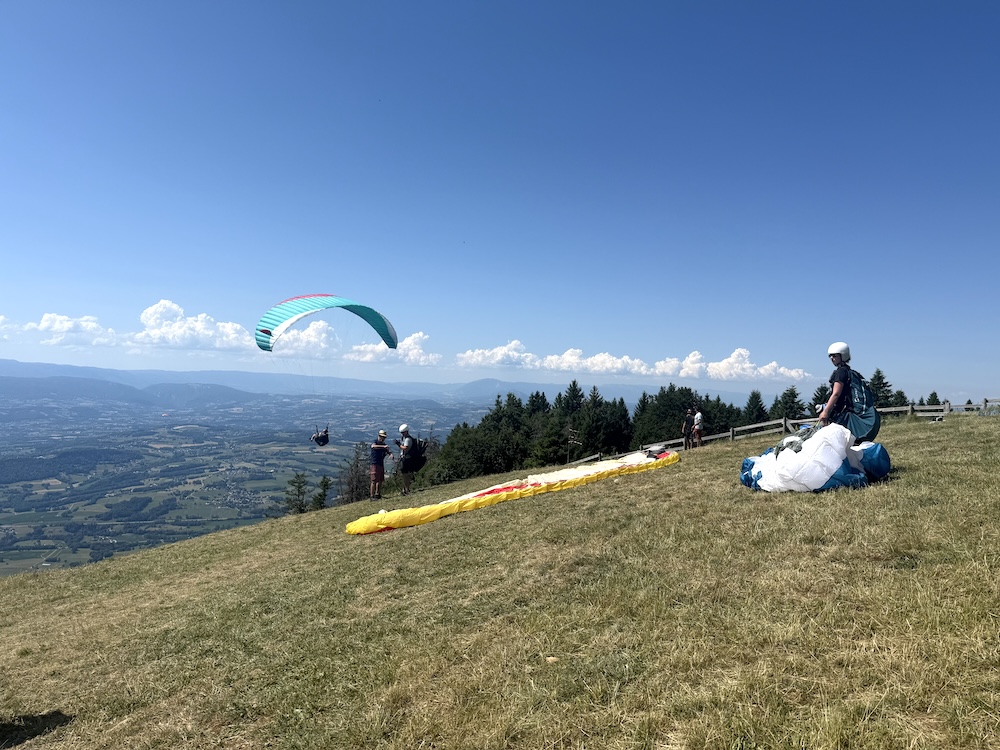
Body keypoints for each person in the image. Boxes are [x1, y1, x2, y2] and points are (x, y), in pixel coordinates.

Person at [818, 341, 881, 443]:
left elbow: (836, 393)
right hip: (849, 414)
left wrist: (826, 411)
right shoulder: (849, 371)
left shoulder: (840, 372)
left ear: (842, 355)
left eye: (834, 356)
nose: (831, 358)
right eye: (830, 356)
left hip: (843, 415)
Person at [369, 429, 394, 500]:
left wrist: (390, 454)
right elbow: (373, 446)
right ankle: (372, 496)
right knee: (374, 480)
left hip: (380, 464)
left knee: (380, 480)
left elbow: (388, 451)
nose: (382, 438)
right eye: (382, 437)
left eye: (384, 437)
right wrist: (383, 447)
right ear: (379, 436)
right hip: (374, 463)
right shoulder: (375, 442)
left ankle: (377, 494)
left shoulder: (383, 445)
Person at [395, 423, 415, 496]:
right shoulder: (406, 438)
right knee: (405, 475)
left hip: (406, 459)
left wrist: (399, 445)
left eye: (403, 433)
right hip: (407, 458)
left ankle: (406, 489)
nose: (402, 434)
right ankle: (405, 489)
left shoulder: (408, 439)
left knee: (405, 475)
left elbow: (405, 448)